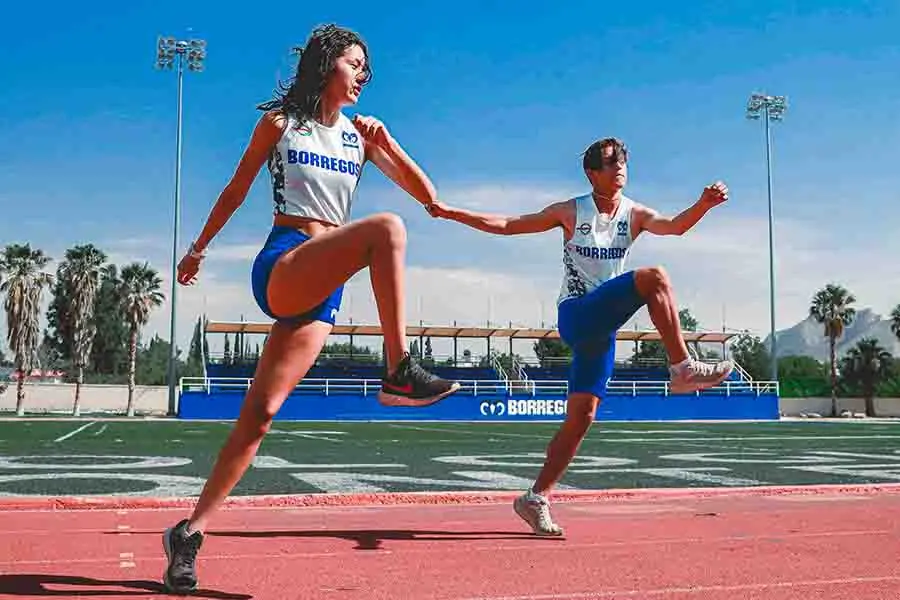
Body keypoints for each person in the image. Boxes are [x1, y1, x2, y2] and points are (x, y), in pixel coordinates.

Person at [161, 24, 460, 593]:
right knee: (386, 231)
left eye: (367, 68)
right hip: (284, 261)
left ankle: (188, 534)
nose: (363, 75)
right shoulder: (281, 124)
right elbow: (235, 189)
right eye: (354, 63)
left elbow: (429, 198)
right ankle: (398, 370)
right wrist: (198, 248)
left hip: (324, 286)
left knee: (260, 416)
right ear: (326, 66)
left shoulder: (361, 137)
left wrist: (389, 142)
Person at [427, 137, 734, 536]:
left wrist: (703, 206)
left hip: (602, 330)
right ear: (592, 172)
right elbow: (507, 225)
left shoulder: (635, 213)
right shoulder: (571, 211)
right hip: (576, 315)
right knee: (653, 277)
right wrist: (452, 213)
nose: (619, 167)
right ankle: (683, 368)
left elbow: (674, 227)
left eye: (622, 160)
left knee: (581, 418)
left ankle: (534, 498)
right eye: (610, 162)